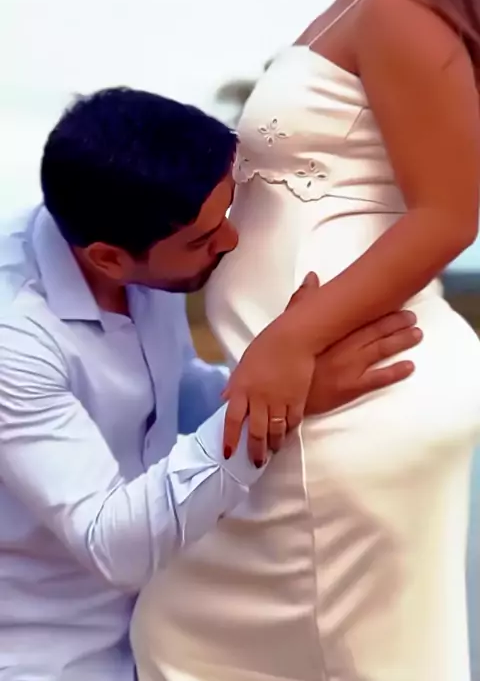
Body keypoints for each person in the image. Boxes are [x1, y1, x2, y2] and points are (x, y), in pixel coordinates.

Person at [131, 0, 480, 681]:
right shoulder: (358, 5)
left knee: (186, 635)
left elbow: (449, 215)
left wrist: (288, 339)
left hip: (353, 398)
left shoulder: (398, 14)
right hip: (317, 398)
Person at [0, 88, 421, 680]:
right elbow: (111, 544)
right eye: (201, 240)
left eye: (222, 216)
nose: (228, 241)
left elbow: (170, 392)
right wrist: (270, 407)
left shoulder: (132, 237)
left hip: (167, 624)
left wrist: (281, 375)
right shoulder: (15, 340)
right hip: (53, 659)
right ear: (108, 258)